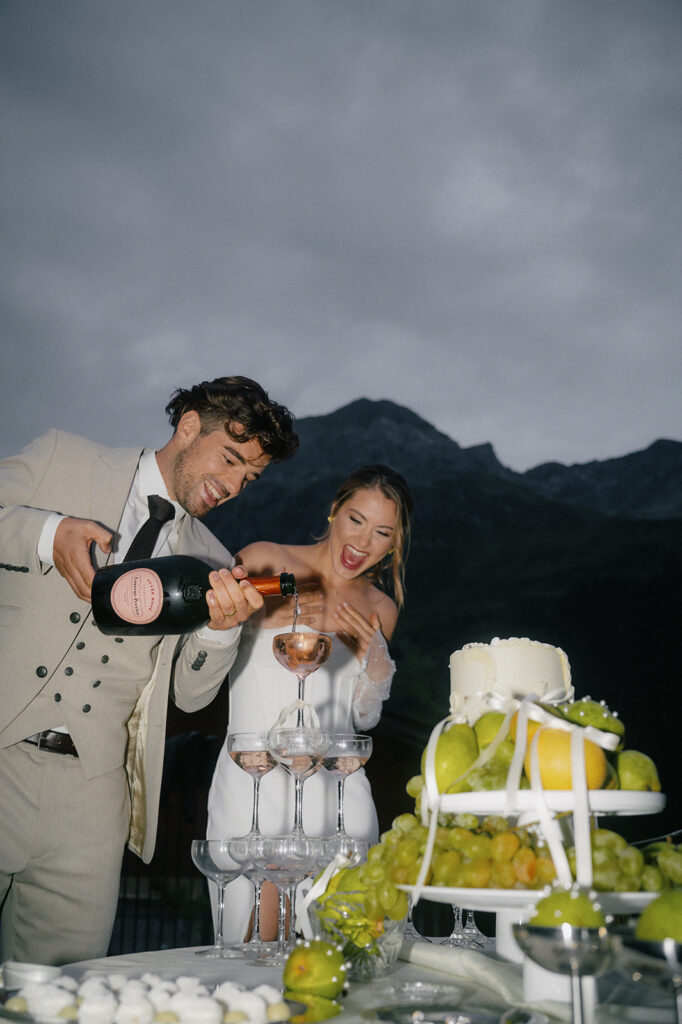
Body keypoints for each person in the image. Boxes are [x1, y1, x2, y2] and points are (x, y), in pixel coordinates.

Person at [0, 376, 298, 965]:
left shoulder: (213, 558)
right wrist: (46, 533)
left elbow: (189, 696)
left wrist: (220, 627)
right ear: (188, 426)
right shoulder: (64, 456)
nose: (234, 485)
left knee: (59, 989)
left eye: (250, 477)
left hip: (92, 800)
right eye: (232, 459)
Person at [207, 464, 413, 942]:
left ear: (393, 545)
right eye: (356, 519)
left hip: (336, 794)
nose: (363, 541)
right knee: (252, 950)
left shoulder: (382, 608)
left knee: (339, 953)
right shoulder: (264, 559)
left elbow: (362, 717)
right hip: (253, 777)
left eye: (382, 532)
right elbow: (208, 647)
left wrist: (376, 664)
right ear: (334, 511)